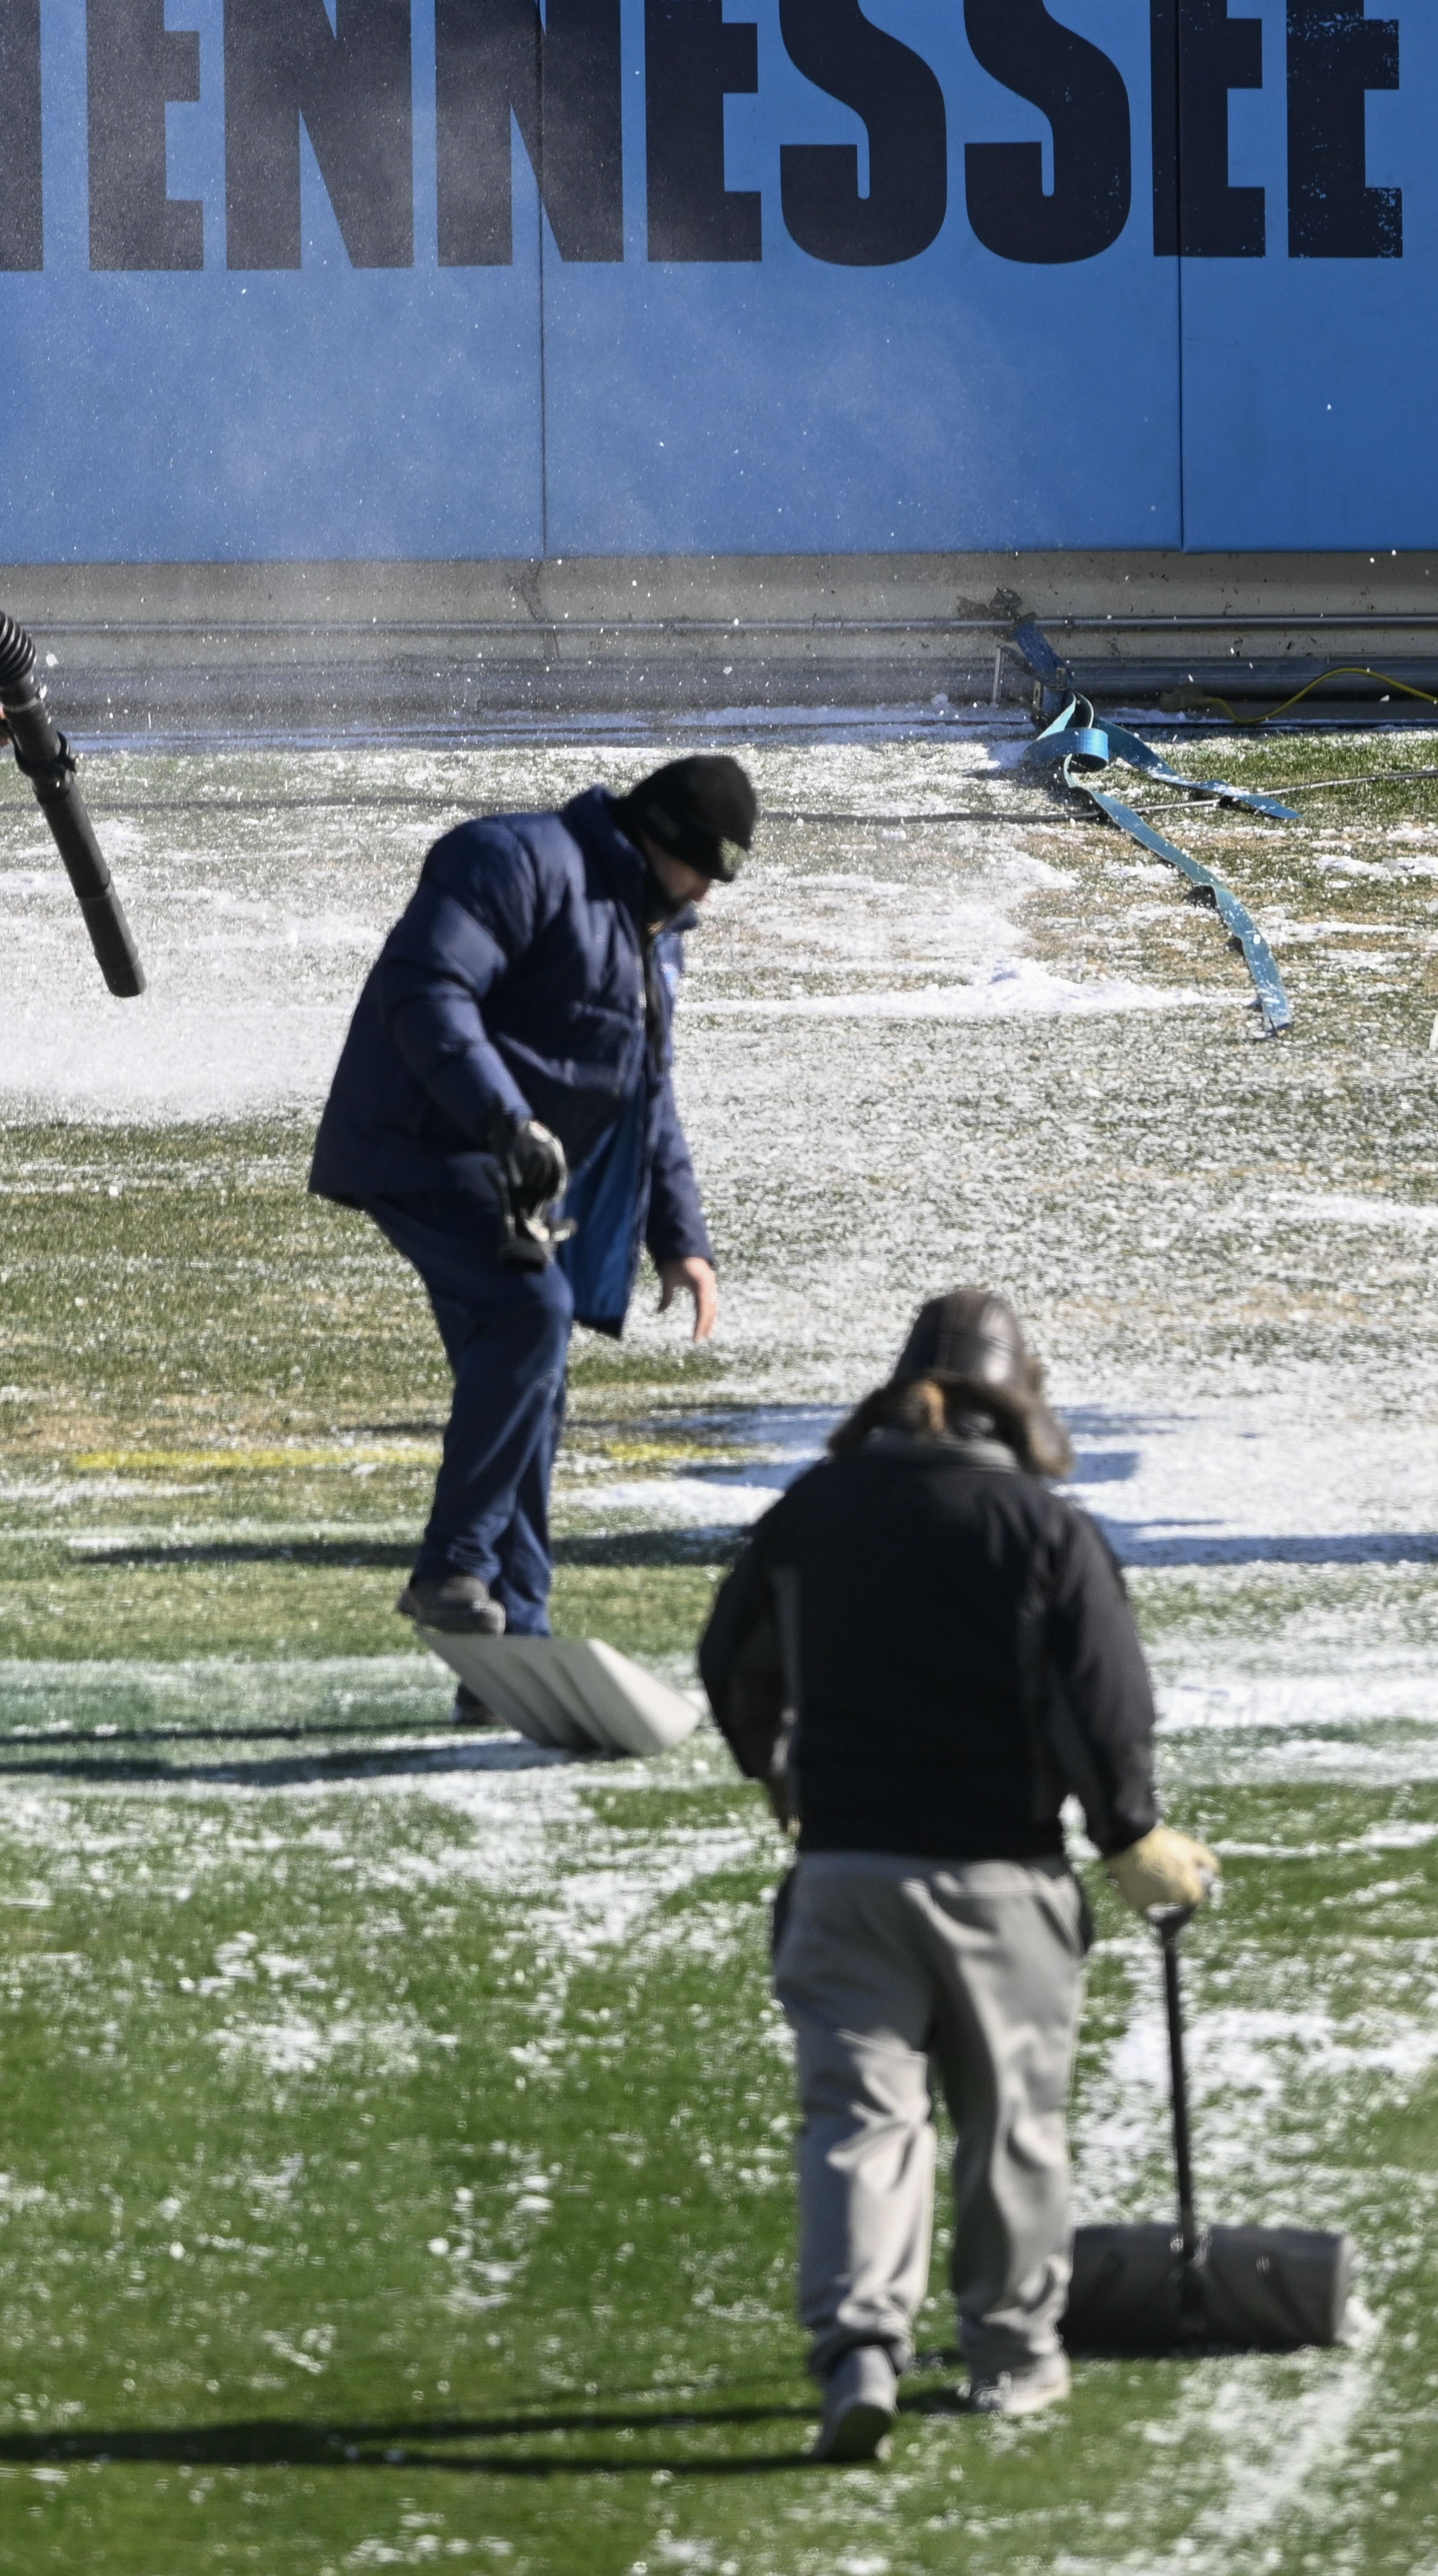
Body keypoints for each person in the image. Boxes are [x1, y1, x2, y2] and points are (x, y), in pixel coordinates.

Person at [696, 1288, 1217, 2465]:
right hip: (1002, 1878)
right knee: (1011, 2126)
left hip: (843, 1874)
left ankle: (859, 2350)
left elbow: (731, 1664)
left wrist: (784, 1782)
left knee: (859, 2120)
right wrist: (1130, 1833)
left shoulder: (811, 1509)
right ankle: (1010, 2354)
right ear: (1018, 1401)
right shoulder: (1044, 1528)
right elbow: (1104, 1703)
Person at [310, 757, 750, 1660]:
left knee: (526, 1390)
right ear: (656, 836)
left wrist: (680, 1238)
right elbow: (423, 988)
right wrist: (503, 1121)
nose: (706, 889)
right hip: (420, 1143)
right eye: (701, 865)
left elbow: (645, 1090)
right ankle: (452, 1570)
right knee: (529, 1314)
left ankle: (515, 1642)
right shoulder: (512, 859)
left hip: (502, 1173)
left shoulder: (653, 927)